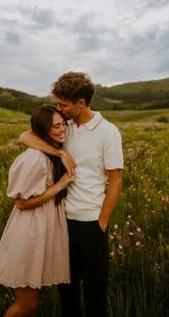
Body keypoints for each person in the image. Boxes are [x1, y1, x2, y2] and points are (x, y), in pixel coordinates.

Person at [19, 71, 124, 317]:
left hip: (91, 223)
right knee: (66, 290)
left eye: (63, 104)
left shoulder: (108, 132)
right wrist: (61, 153)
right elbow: (24, 137)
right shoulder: (62, 126)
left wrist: (102, 222)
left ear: (81, 103)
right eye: (57, 103)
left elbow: (116, 180)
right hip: (62, 222)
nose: (59, 108)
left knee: (95, 292)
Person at [0, 104, 74, 317]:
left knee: (33, 305)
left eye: (63, 123)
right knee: (26, 305)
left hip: (40, 232)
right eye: (56, 125)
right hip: (29, 234)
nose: (62, 128)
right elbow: (22, 203)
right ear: (43, 130)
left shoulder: (51, 152)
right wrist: (60, 184)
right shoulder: (34, 157)